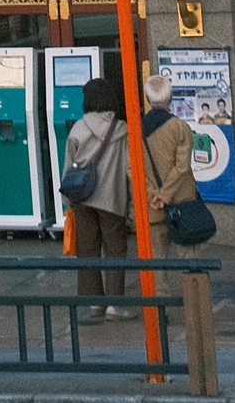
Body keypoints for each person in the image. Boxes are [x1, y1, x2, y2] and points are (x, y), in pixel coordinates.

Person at [64, 75, 134, 313]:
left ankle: (95, 303)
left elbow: (68, 166)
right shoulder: (122, 128)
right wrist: (133, 200)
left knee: (88, 250)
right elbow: (128, 168)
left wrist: (68, 201)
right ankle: (115, 304)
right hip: (112, 198)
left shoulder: (77, 128)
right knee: (115, 250)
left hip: (82, 197)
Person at [143, 72, 196, 247]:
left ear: (148, 98)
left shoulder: (135, 130)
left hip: (152, 205)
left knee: (157, 264)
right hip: (183, 203)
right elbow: (182, 167)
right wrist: (165, 195)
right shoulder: (180, 127)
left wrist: (154, 195)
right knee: (192, 262)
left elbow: (131, 168)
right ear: (171, 98)